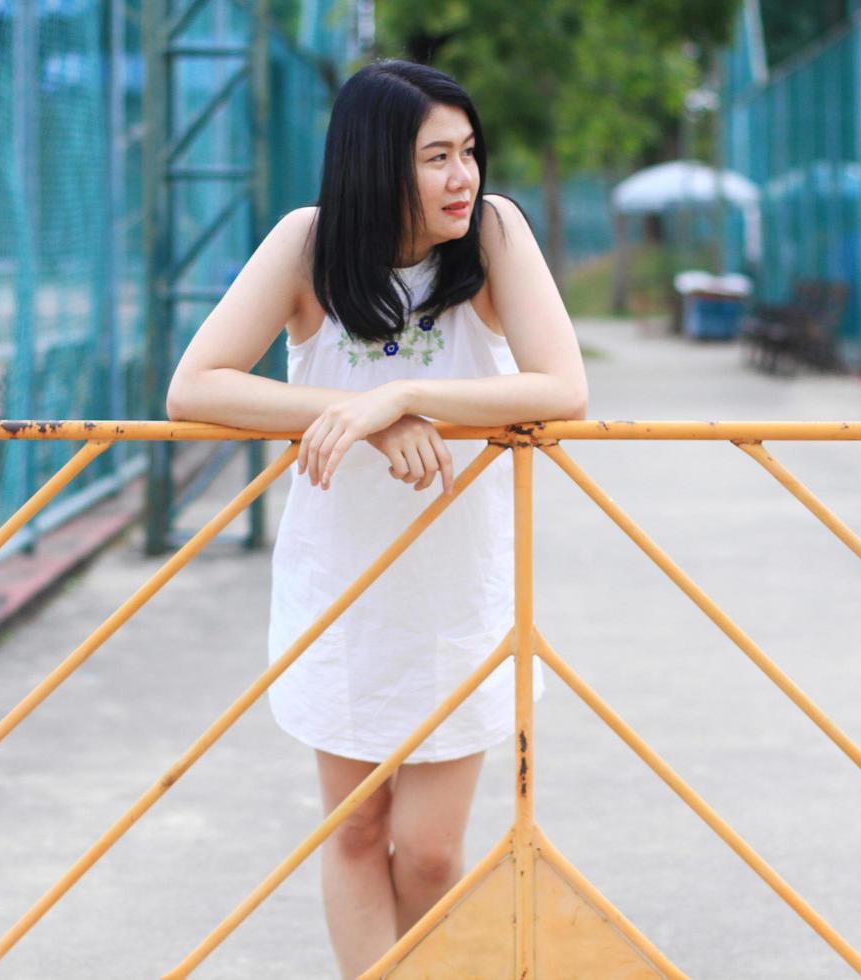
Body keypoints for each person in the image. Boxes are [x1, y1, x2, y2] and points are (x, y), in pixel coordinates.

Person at [165, 58, 587, 978]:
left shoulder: (496, 237)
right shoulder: (308, 246)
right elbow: (194, 385)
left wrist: (402, 393)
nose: (463, 177)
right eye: (437, 157)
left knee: (431, 850)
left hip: (455, 586)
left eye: (468, 152)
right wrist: (352, 419)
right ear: (376, 163)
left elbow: (565, 388)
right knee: (356, 830)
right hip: (345, 586)